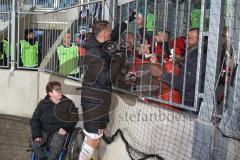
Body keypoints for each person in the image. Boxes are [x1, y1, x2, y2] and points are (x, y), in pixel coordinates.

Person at [79, 20, 128, 160]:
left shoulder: (96, 42)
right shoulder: (96, 53)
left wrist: (125, 21)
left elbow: (114, 35)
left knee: (92, 138)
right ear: (105, 34)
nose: (112, 33)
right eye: (110, 31)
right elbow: (106, 79)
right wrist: (119, 58)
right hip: (95, 101)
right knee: (94, 139)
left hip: (95, 99)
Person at [149, 28, 206, 107]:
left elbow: (184, 83)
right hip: (187, 98)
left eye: (189, 38)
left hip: (190, 101)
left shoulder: (197, 57)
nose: (185, 41)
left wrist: (163, 74)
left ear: (199, 40)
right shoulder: (192, 53)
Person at [30, 81, 79, 160]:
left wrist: (66, 128)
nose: (60, 92)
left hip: (59, 131)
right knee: (34, 143)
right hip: (44, 130)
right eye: (57, 90)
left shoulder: (68, 103)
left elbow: (74, 117)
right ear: (50, 93)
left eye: (60, 89)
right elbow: (34, 119)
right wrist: (36, 134)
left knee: (56, 143)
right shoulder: (43, 104)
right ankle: (41, 158)